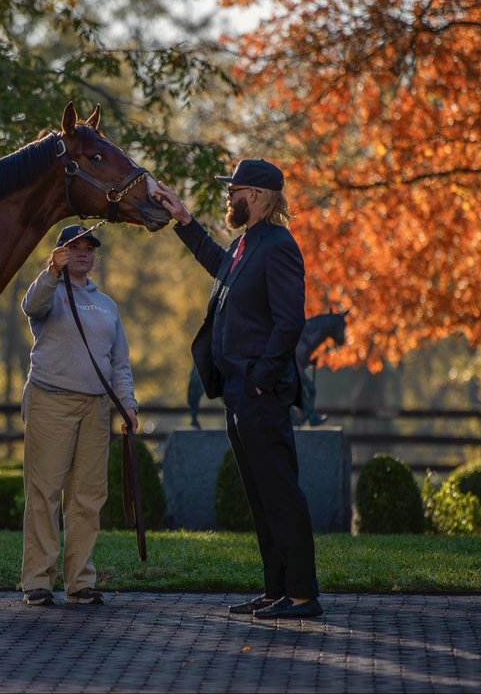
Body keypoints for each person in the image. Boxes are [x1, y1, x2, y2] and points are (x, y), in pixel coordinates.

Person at [153, 159, 323, 619]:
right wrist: (183, 221)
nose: (230, 197)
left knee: (280, 492)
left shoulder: (279, 246)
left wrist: (263, 379)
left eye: (237, 190)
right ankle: (275, 591)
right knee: (259, 496)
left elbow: (290, 321)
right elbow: (219, 266)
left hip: (259, 391)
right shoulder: (247, 244)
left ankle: (303, 595)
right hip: (237, 390)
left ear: (262, 196)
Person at [19, 223, 139, 607]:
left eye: (89, 249)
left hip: (96, 407)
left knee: (88, 496)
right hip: (50, 400)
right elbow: (31, 306)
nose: (82, 253)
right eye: (74, 247)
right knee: (44, 492)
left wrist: (128, 403)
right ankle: (38, 580)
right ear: (59, 253)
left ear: (95, 257)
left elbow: (118, 362)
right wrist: (51, 271)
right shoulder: (50, 291)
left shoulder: (107, 305)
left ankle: (80, 581)